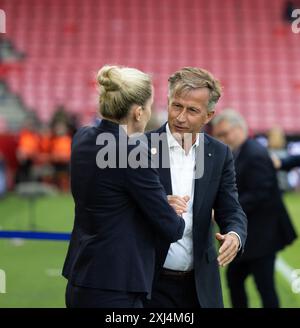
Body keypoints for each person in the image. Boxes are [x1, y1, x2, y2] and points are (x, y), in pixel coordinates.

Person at [62, 65, 185, 308]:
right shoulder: (132, 154)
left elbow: (111, 195)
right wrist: (170, 209)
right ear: (138, 112)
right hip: (114, 287)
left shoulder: (83, 137)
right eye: (150, 106)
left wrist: (157, 200)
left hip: (82, 277)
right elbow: (171, 229)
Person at [145, 67, 247, 308]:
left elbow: (231, 208)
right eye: (176, 106)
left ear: (208, 116)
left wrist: (234, 234)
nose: (181, 117)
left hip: (200, 286)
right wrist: (157, 206)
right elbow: (118, 211)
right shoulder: (139, 148)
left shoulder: (219, 154)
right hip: (150, 283)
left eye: (192, 110)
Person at [212, 109, 297, 308]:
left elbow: (261, 193)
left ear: (240, 129)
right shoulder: (241, 151)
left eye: (225, 134)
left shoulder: (254, 154)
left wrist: (226, 209)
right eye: (219, 135)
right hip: (252, 234)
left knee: (263, 287)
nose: (222, 139)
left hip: (263, 235)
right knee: (236, 280)